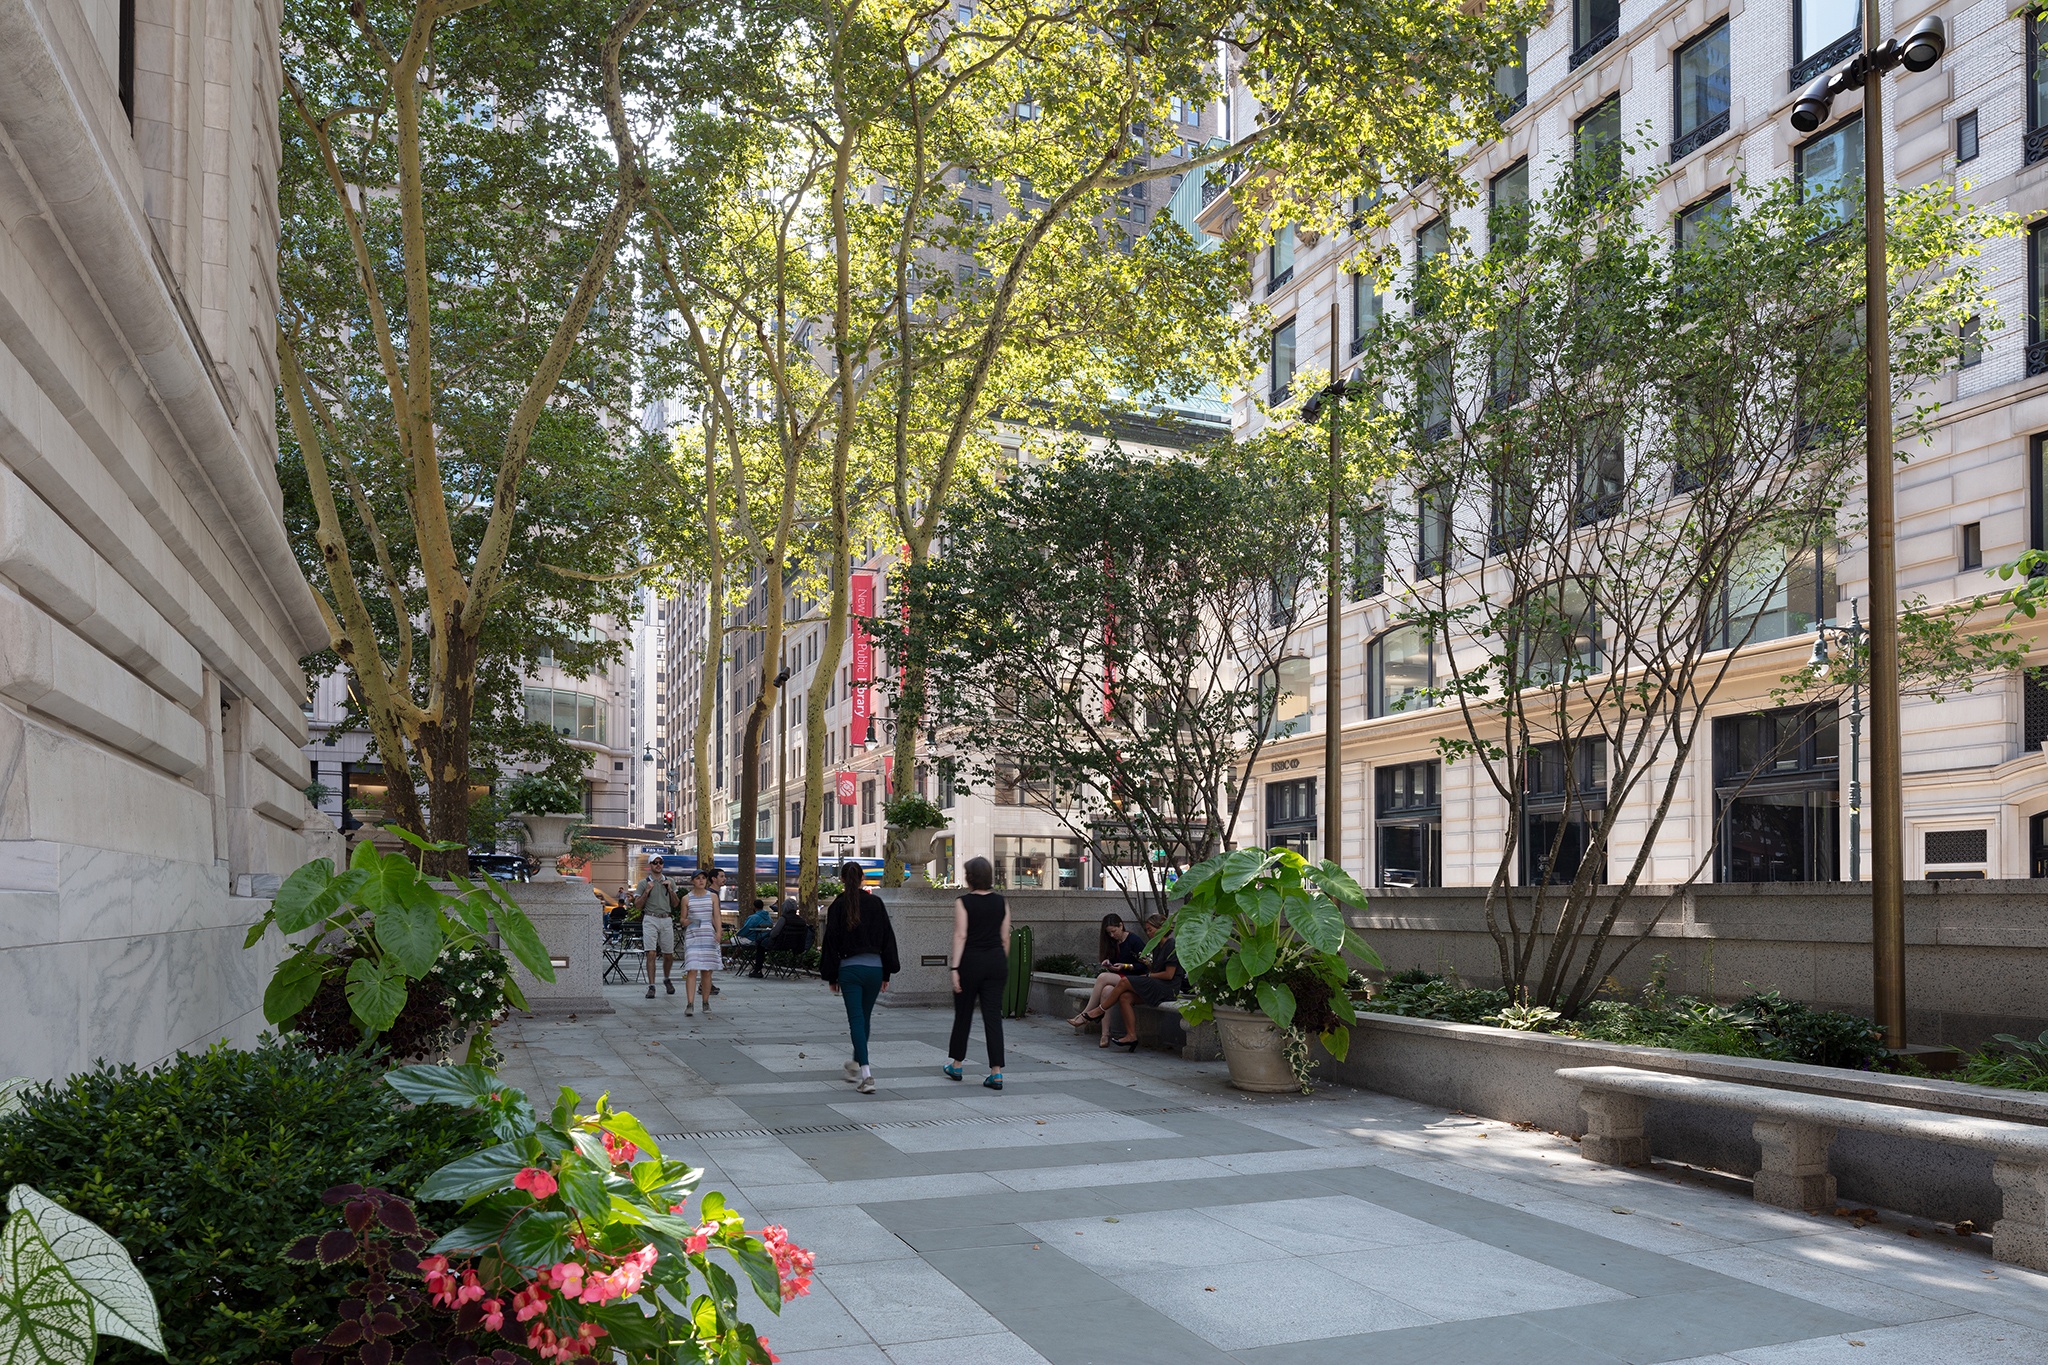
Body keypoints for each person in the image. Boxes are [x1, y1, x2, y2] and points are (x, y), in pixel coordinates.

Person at [820, 861, 900, 1094]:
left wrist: (832, 975)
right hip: (875, 969)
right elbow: (888, 938)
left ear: (842, 880)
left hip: (850, 970)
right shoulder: (876, 903)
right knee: (864, 1019)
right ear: (863, 878)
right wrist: (886, 972)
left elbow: (830, 943)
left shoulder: (838, 906)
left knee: (856, 1020)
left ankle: (866, 1073)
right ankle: (855, 1063)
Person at [944, 856, 1011, 1090]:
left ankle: (957, 1064)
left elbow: (961, 935)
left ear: (970, 877)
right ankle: (996, 1072)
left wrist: (954, 968)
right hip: (995, 963)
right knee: (993, 1016)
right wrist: (1001, 961)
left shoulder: (963, 902)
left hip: (970, 963)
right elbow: (1005, 938)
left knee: (963, 1014)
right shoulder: (1001, 902)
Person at [1100, 912, 1182, 1051]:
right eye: (1147, 930)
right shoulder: (1156, 946)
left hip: (1168, 988)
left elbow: (1169, 975)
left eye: (1150, 930)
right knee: (1125, 997)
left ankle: (1098, 1010)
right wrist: (1148, 965)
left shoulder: (1171, 945)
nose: (1148, 933)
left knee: (1125, 981)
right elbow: (1156, 969)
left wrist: (1148, 976)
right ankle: (1131, 1035)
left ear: (1161, 927)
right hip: (1157, 985)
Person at [1067, 913, 1146, 1042]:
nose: (1112, 935)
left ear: (1121, 925)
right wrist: (1109, 964)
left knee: (1102, 977)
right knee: (1106, 991)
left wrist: (1125, 966)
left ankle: (1085, 1015)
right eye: (1109, 933)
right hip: (1120, 978)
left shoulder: (1134, 940)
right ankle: (1105, 1034)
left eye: (1114, 931)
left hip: (1135, 978)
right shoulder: (1112, 942)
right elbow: (1114, 963)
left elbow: (1144, 966)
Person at [634, 855, 676, 999]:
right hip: (650, 918)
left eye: (660, 862)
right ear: (650, 865)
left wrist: (670, 890)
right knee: (651, 953)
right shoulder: (643, 883)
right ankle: (652, 986)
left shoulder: (669, 881)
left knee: (668, 954)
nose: (658, 865)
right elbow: (638, 905)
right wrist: (647, 891)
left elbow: (676, 904)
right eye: (655, 862)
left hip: (666, 918)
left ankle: (666, 978)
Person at [679, 870, 721, 1015]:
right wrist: (688, 921)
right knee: (691, 968)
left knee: (707, 971)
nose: (701, 881)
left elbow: (716, 915)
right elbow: (682, 919)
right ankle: (690, 1003)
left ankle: (705, 1001)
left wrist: (719, 932)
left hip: (708, 934)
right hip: (693, 935)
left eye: (703, 878)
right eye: (698, 878)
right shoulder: (686, 898)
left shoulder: (713, 897)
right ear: (693, 881)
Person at [734, 900, 775, 977]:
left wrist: (738, 934)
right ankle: (731, 960)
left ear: (754, 907)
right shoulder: (769, 917)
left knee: (728, 941)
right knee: (740, 942)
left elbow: (745, 929)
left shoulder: (752, 917)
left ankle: (727, 962)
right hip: (765, 940)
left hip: (753, 939)